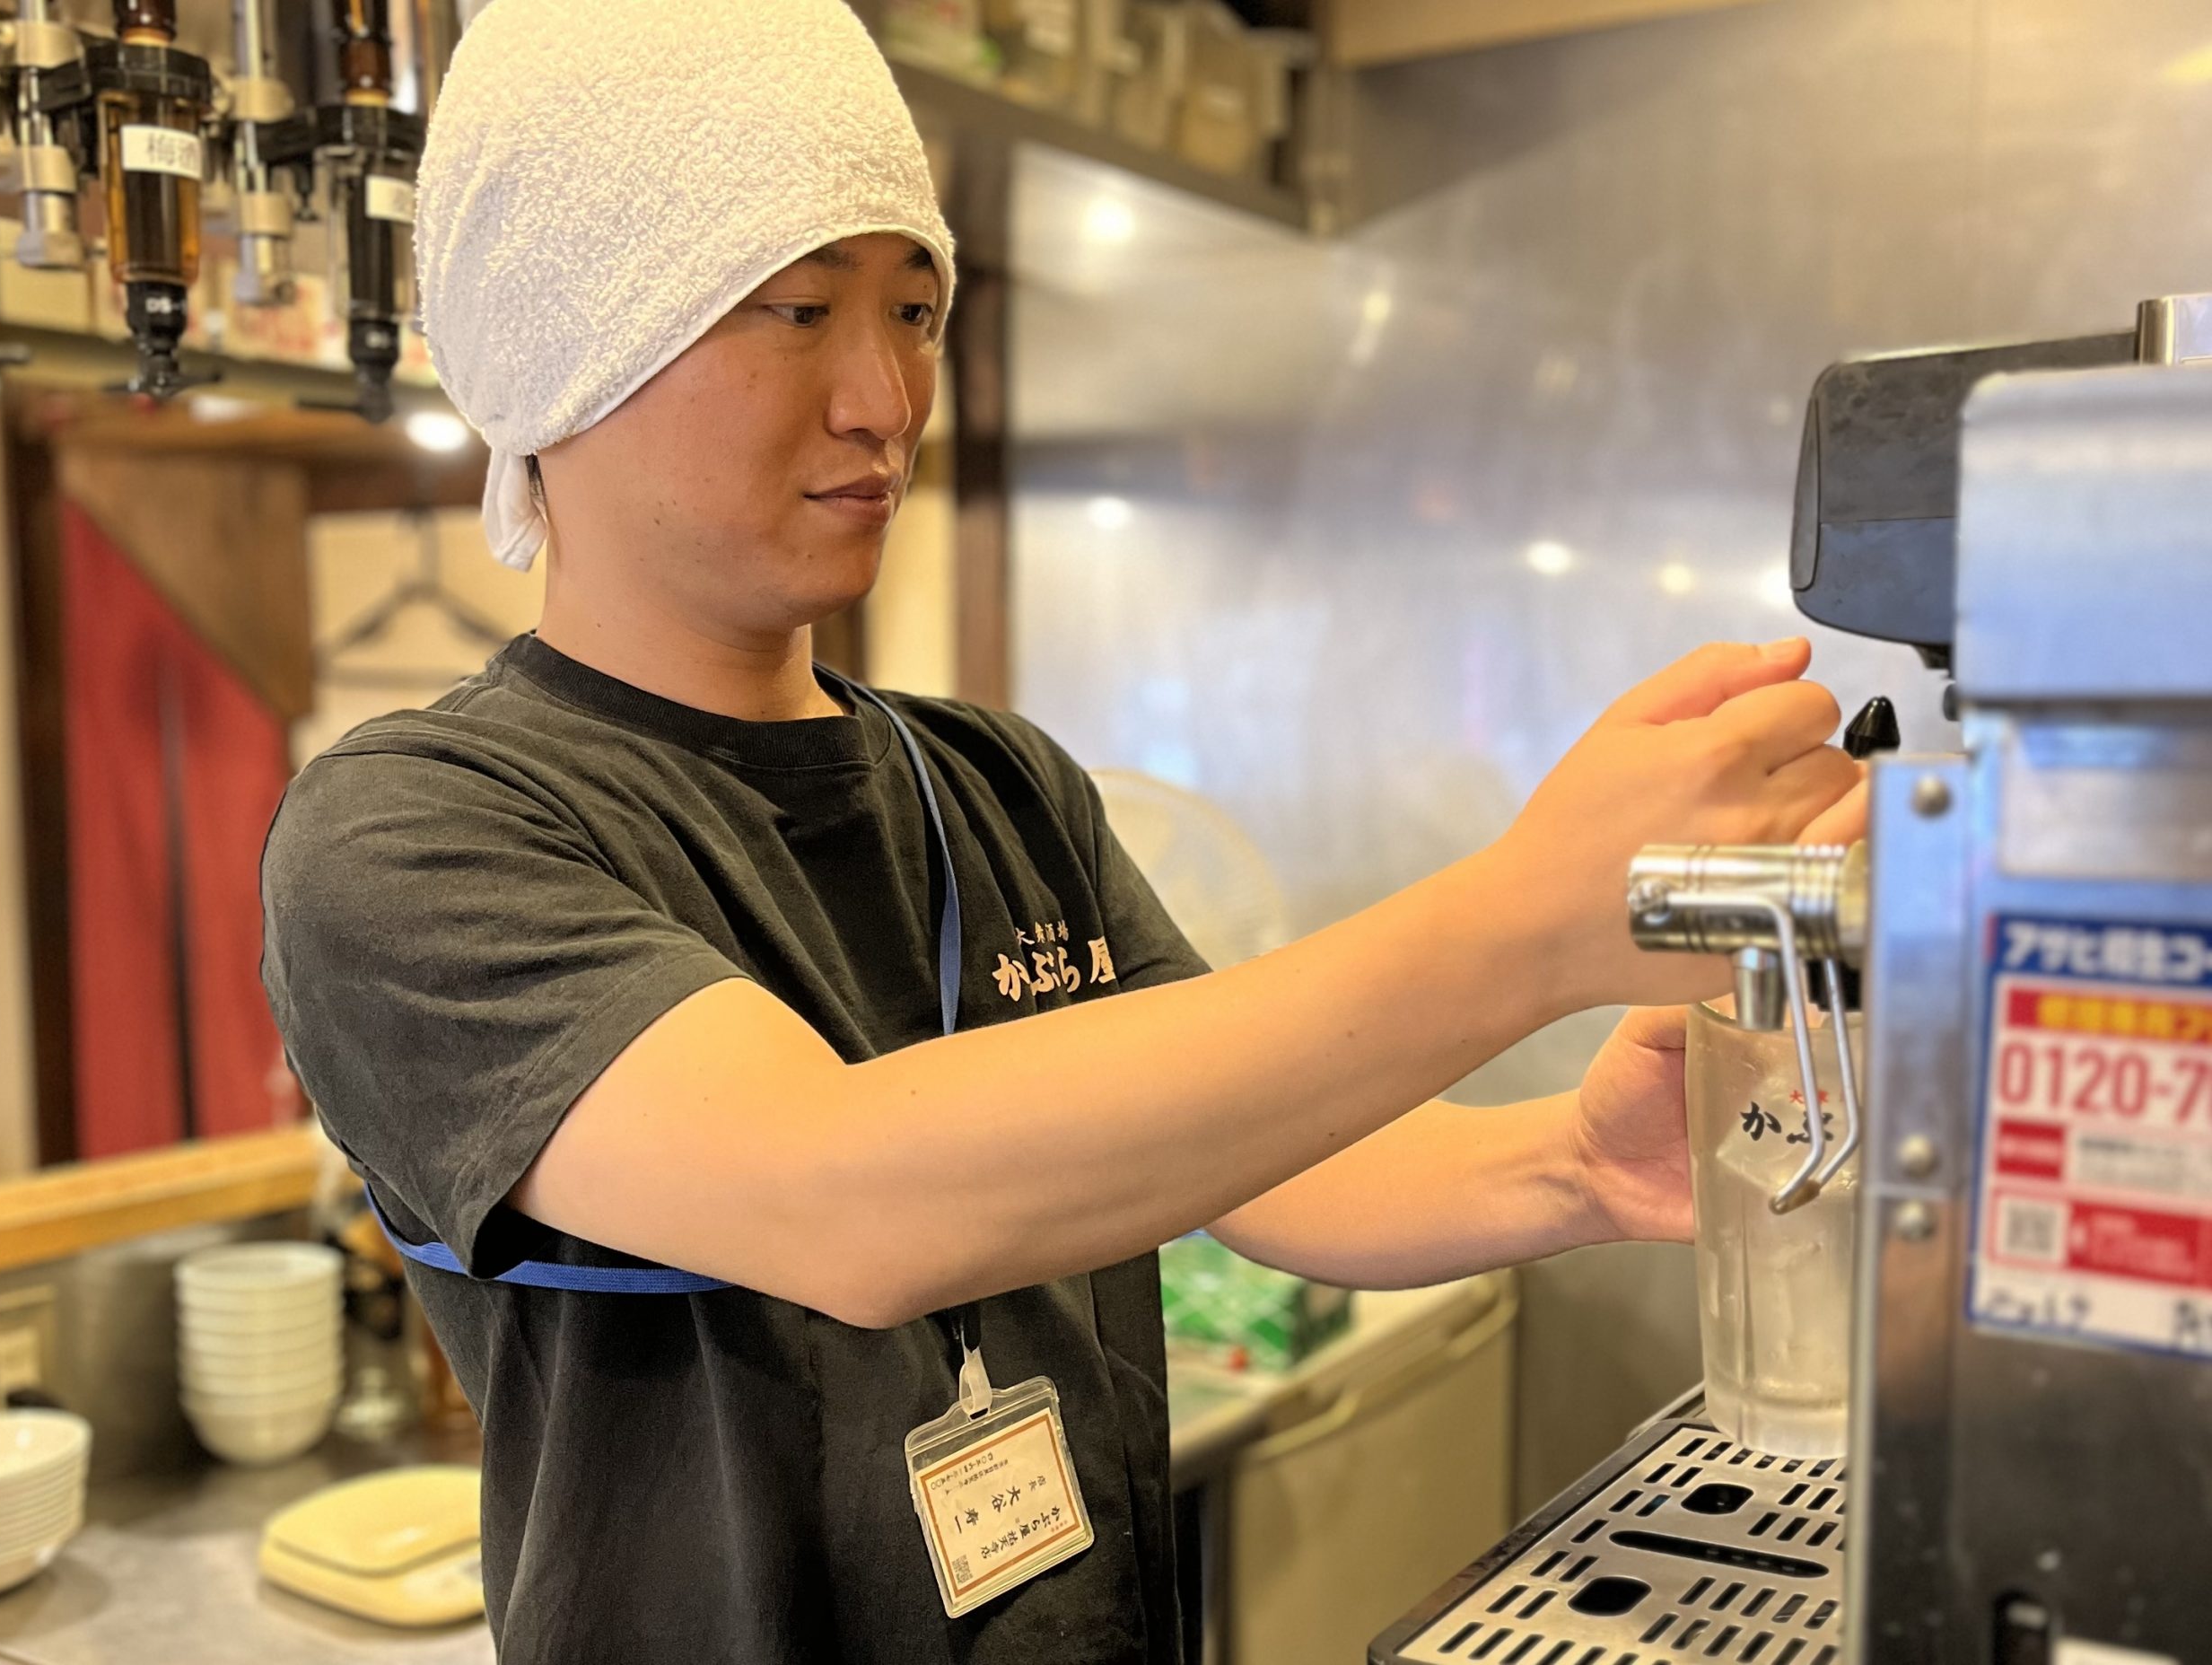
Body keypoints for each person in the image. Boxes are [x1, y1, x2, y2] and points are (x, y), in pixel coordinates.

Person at [258, 1, 1864, 1659]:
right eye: (800, 309)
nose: (887, 396)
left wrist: (1568, 1160)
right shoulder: (413, 833)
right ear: (562, 345)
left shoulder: (993, 783)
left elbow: (1271, 1164)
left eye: (917, 309)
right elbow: (840, 1200)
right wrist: (1528, 924)